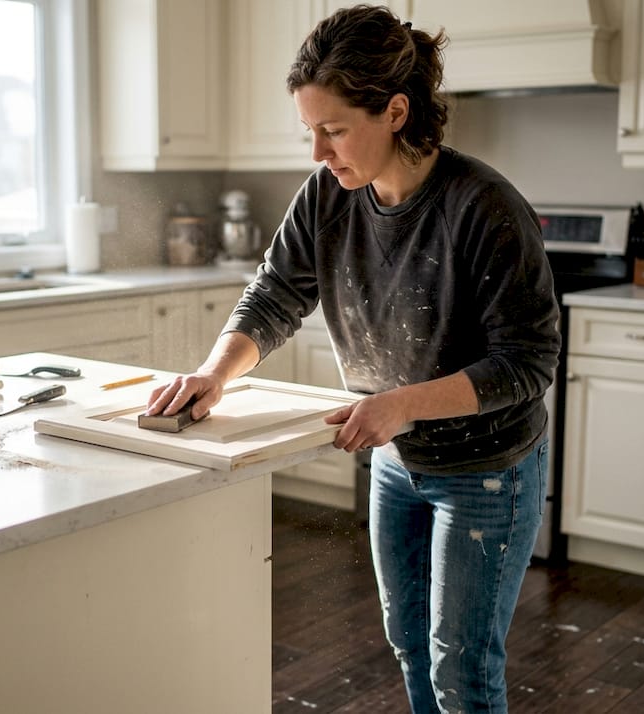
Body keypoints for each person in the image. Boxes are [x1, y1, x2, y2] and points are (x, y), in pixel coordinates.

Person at [144, 5, 560, 712]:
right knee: (407, 638)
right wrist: (215, 372)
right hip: (396, 463)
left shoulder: (482, 207)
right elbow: (275, 293)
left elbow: (526, 362)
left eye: (332, 131)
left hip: (486, 472)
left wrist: (399, 406)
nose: (317, 152)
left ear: (396, 111)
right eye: (310, 131)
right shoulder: (328, 198)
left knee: (463, 667)